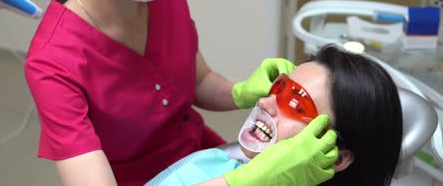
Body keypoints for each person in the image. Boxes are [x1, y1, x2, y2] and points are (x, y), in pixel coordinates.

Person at [24, 0, 338, 185]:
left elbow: (197, 82)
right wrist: (248, 181)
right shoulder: (52, 64)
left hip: (205, 160)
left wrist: (241, 91)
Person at [146, 45, 404, 186]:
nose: (266, 102)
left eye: (296, 104)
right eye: (279, 88)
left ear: (337, 158)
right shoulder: (232, 170)